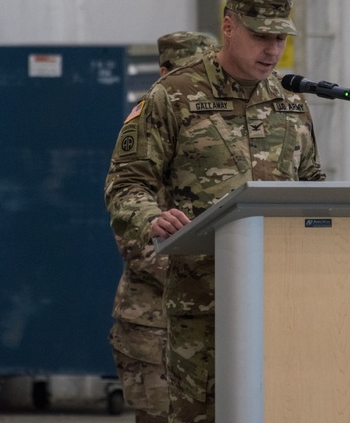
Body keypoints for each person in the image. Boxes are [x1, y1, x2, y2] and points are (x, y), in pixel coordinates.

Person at [105, 0, 326, 423]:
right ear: (229, 26)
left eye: (280, 38)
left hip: (280, 301)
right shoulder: (174, 95)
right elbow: (126, 184)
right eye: (260, 35)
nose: (272, 49)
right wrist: (151, 217)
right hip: (199, 310)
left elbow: (312, 184)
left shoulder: (291, 103)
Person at [110, 31, 218, 423]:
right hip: (153, 322)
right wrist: (211, 275)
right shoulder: (149, 127)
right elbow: (137, 241)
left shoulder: (207, 135)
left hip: (206, 322)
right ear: (164, 72)